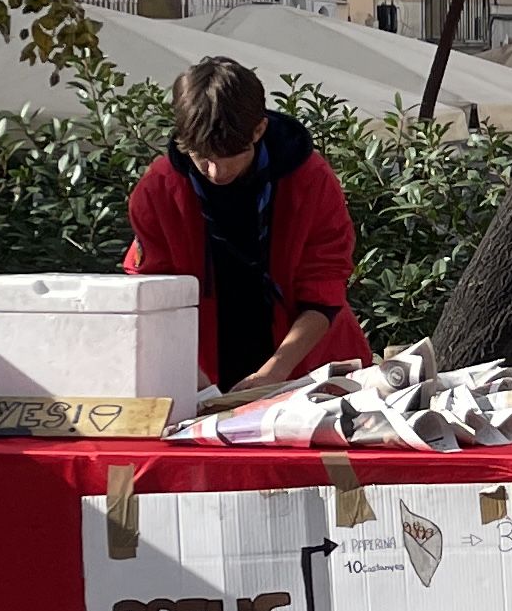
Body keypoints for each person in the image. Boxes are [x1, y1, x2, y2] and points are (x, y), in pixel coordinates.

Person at [126, 56, 373, 400]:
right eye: (202, 157)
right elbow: (152, 300)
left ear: (258, 130)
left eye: (230, 156)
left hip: (309, 370)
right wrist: (188, 375)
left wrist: (275, 371)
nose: (215, 172)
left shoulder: (311, 181)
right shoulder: (157, 190)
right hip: (201, 375)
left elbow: (324, 294)